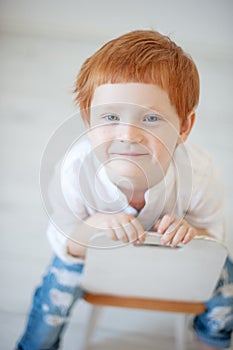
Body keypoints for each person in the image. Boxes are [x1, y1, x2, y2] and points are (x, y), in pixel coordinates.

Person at [16, 30, 233, 350]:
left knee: (227, 286)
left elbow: (215, 240)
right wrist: (92, 228)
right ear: (89, 121)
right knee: (53, 292)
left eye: (150, 118)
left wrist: (192, 232)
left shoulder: (199, 174)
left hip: (172, 263)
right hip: (93, 258)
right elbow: (66, 244)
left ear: (184, 127)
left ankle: (211, 340)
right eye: (111, 116)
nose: (128, 135)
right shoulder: (75, 171)